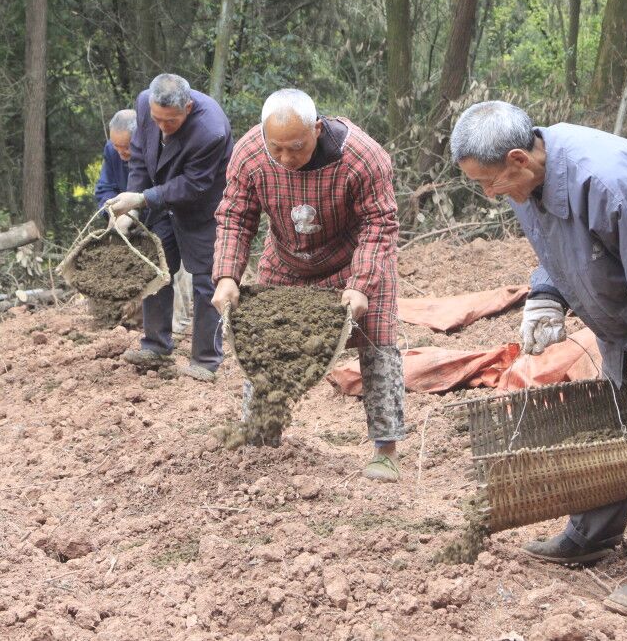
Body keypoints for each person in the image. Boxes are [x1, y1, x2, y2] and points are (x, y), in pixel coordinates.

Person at [450, 100, 627, 618]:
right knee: (614, 430)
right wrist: (545, 294)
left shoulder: (609, 183)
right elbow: (554, 247)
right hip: (625, 320)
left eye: (489, 182)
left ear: (518, 159)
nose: (488, 194)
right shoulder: (529, 180)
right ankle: (590, 536)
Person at [211, 88, 405, 483]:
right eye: (276, 148)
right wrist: (228, 276)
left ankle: (385, 450)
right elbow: (235, 217)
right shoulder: (249, 155)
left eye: (295, 148)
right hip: (286, 260)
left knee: (379, 345)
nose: (285, 158)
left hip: (352, 263)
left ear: (317, 129)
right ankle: (260, 438)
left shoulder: (362, 158)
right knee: (261, 341)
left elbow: (379, 224)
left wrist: (362, 284)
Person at [104, 74, 233, 381]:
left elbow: (194, 185)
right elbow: (138, 158)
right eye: (157, 119)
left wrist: (143, 198)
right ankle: (156, 347)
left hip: (203, 207)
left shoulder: (210, 129)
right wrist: (131, 209)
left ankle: (205, 361)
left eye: (171, 121)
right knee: (156, 269)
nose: (162, 126)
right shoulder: (144, 103)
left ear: (188, 108)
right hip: (159, 203)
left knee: (206, 281)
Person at [94, 108, 193, 334]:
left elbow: (172, 190)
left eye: (126, 147)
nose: (121, 153)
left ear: (139, 140)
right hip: (129, 224)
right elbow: (104, 188)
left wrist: (139, 207)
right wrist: (111, 211)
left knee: (176, 272)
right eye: (116, 147)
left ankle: (180, 326)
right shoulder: (112, 150)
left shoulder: (160, 148)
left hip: (165, 217)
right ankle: (138, 323)